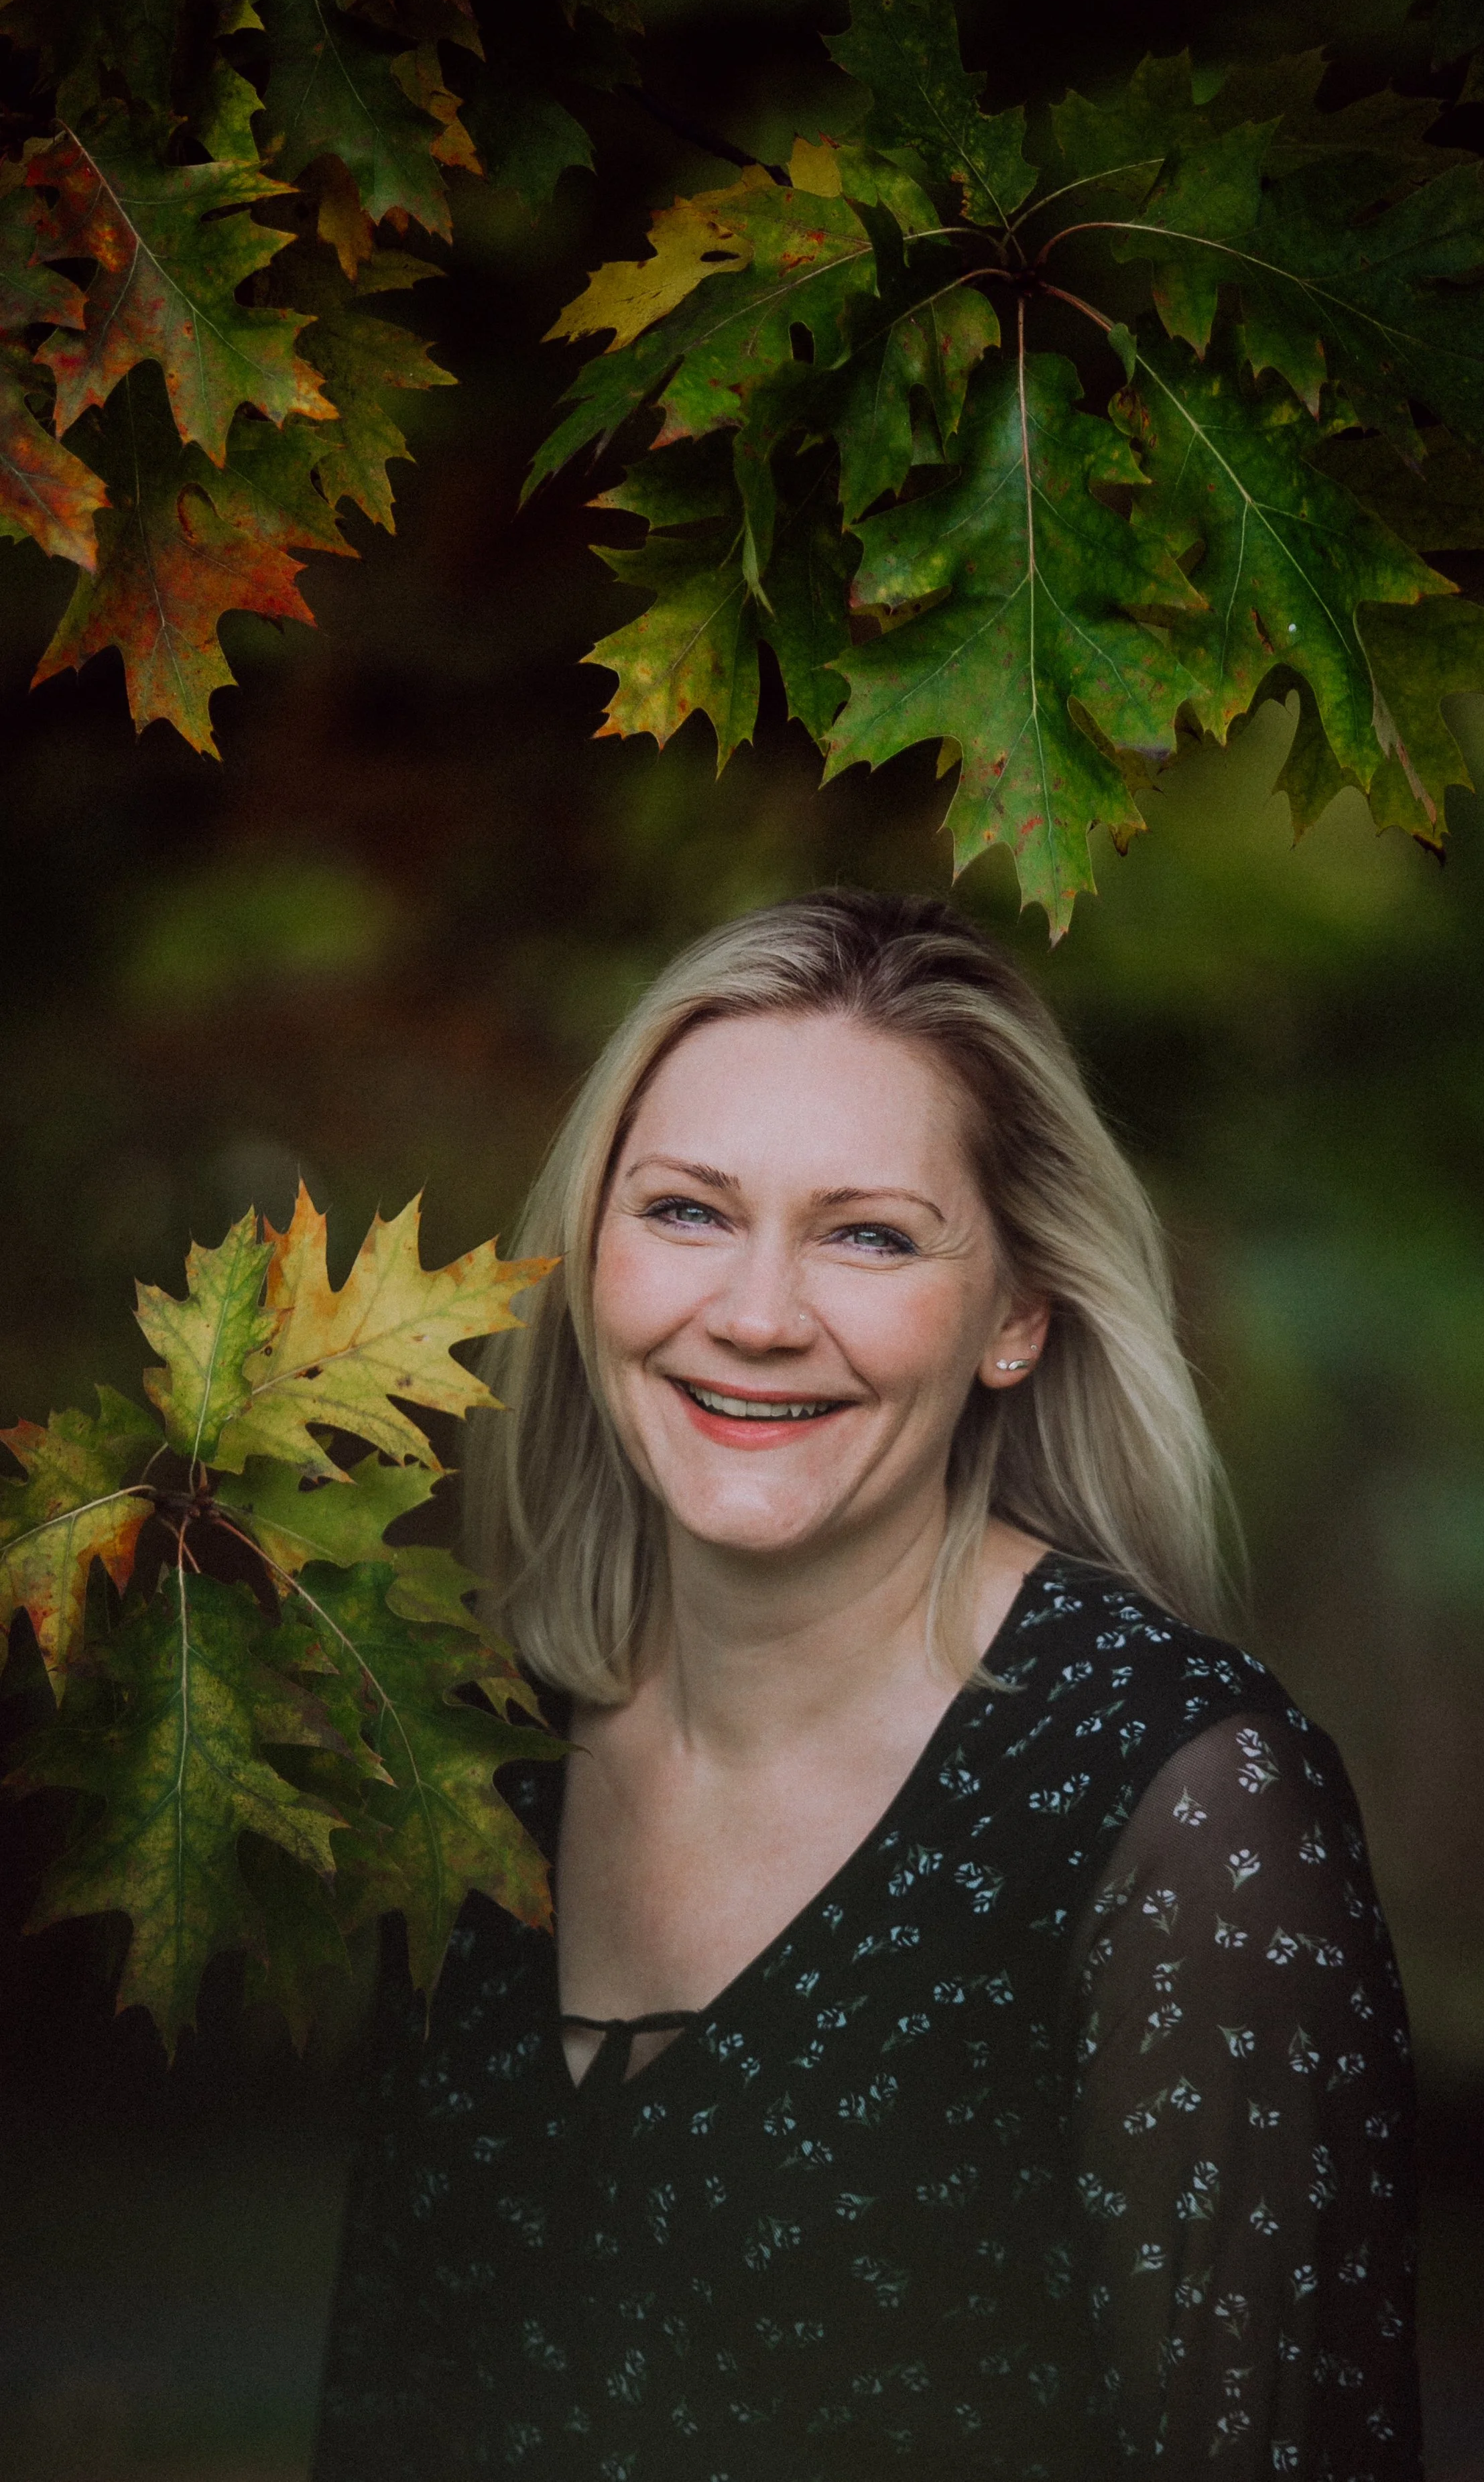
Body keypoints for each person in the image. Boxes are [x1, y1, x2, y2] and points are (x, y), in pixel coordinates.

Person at [310, 890, 1422, 2480]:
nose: (755, 1318)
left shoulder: (1186, 1808)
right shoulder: (491, 1751)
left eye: (868, 1235)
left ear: (1016, 1317)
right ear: (590, 1256)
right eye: (686, 1211)